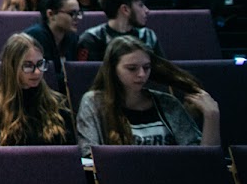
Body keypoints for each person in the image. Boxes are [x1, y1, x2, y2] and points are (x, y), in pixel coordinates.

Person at [76, 36, 220, 156]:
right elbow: (89, 157)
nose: (141, 74)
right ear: (113, 70)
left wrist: (212, 116)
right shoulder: (93, 102)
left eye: (146, 67)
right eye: (132, 68)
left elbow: (202, 161)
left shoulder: (167, 102)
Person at [0, 33, 74, 146]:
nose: (37, 72)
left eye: (40, 64)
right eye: (28, 65)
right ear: (12, 67)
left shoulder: (57, 103)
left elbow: (70, 149)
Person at [76, 0, 163, 61]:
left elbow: (162, 70)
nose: (147, 10)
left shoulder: (147, 36)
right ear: (125, 9)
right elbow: (87, 71)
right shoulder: (92, 39)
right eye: (140, 5)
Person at [22, 0, 81, 93]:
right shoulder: (35, 37)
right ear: (51, 14)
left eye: (79, 13)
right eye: (72, 13)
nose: (77, 18)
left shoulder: (72, 38)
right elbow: (44, 77)